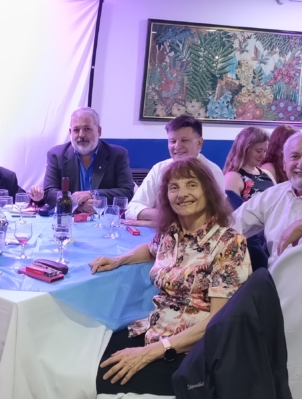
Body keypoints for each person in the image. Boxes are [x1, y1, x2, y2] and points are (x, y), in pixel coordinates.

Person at [89, 157, 251, 396]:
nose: (182, 194)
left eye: (192, 184)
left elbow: (218, 321)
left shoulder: (229, 243)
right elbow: (151, 249)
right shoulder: (171, 233)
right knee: (88, 359)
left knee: (102, 380)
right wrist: (118, 259)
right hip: (154, 329)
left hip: (192, 350)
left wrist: (149, 353)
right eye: (174, 187)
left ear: (208, 190)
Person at [125, 115, 224, 225]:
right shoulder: (159, 169)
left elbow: (214, 216)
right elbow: (132, 209)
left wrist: (154, 221)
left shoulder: (212, 171)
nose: (177, 146)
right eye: (172, 141)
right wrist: (168, 217)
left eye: (184, 140)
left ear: (199, 143)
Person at [43, 107, 134, 211]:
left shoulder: (117, 155)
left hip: (103, 217)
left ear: (99, 131)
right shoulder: (56, 155)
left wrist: (93, 194)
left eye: (87, 129)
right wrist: (76, 204)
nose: (81, 135)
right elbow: (49, 193)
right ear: (70, 132)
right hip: (70, 217)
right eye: (76, 130)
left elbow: (127, 192)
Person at [234, 131, 302, 269]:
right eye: (294, 156)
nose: (300, 164)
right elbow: (231, 225)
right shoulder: (272, 196)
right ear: (284, 163)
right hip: (277, 280)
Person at [223, 126, 275, 201]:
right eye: (258, 151)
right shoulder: (232, 177)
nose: (263, 155)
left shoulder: (267, 174)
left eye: (265, 151)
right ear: (244, 150)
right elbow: (232, 207)